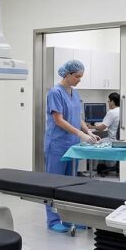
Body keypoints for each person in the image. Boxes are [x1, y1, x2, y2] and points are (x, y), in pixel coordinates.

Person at [44, 59, 98, 233]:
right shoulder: (55, 92)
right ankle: (53, 220)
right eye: (77, 76)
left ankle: (69, 218)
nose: (79, 80)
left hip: (72, 145)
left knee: (70, 184)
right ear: (67, 74)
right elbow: (58, 120)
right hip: (57, 144)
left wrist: (87, 131)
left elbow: (77, 116)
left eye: (81, 77)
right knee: (54, 184)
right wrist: (80, 134)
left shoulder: (75, 93)